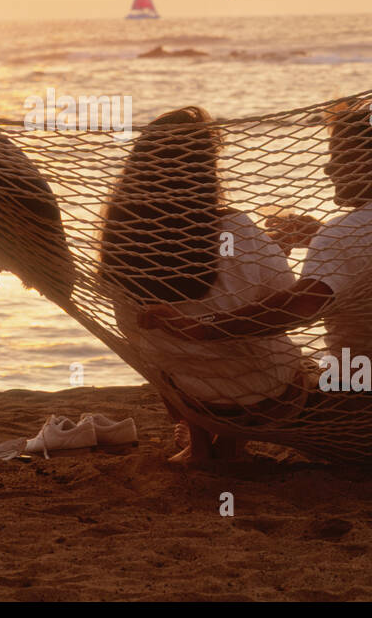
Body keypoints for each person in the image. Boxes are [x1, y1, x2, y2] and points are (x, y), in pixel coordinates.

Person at [140, 100, 372, 448]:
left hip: (366, 419)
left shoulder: (345, 235)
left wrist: (202, 328)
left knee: (271, 369)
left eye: (339, 155)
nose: (329, 169)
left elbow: (293, 309)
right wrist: (320, 237)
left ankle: (212, 442)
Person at [97, 106, 308, 464]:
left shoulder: (121, 242)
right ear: (206, 172)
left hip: (190, 397)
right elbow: (281, 302)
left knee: (163, 350)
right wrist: (270, 250)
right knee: (265, 350)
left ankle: (199, 445)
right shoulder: (236, 229)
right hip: (266, 397)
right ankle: (231, 448)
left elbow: (132, 329)